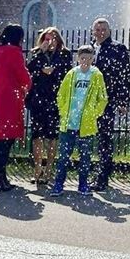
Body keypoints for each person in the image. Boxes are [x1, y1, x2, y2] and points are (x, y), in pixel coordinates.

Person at [49, 44, 108, 197]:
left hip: (86, 125)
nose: (85, 61)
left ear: (93, 59)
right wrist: (63, 112)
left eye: (89, 58)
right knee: (63, 157)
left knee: (85, 158)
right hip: (69, 123)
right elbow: (61, 94)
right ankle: (58, 185)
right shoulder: (71, 74)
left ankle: (83, 185)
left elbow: (102, 98)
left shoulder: (96, 75)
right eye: (83, 58)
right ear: (78, 58)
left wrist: (94, 114)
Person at [0, 24, 31, 193]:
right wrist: (28, 83)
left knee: (0, 136)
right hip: (10, 97)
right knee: (7, 138)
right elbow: (23, 75)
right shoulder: (14, 52)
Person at [26, 27, 73, 184]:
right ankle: (37, 168)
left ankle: (49, 169)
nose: (50, 41)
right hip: (38, 99)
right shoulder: (36, 53)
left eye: (53, 38)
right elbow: (29, 70)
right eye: (47, 38)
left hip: (54, 99)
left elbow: (68, 73)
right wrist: (41, 53)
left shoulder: (64, 53)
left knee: (52, 135)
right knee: (37, 135)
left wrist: (54, 71)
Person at [90, 17, 130, 191]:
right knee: (89, 137)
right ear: (93, 31)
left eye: (103, 30)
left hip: (107, 99)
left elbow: (125, 75)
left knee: (105, 138)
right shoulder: (90, 48)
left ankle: (103, 176)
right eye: (97, 29)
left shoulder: (118, 48)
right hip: (90, 99)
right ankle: (91, 173)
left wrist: (123, 100)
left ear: (109, 31)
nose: (100, 32)